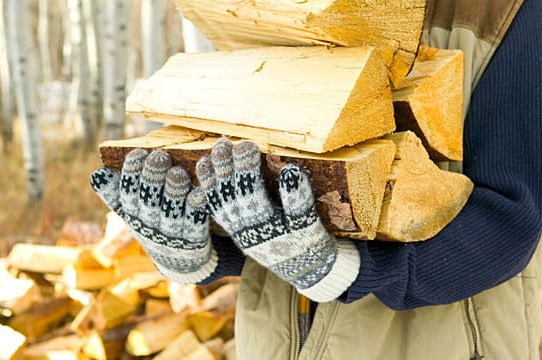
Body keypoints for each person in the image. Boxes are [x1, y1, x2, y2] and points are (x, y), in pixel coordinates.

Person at [91, 0, 542, 358]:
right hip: (276, 345)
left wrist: (348, 269)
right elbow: (259, 176)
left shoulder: (504, 10)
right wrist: (205, 245)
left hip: (441, 345)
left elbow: (511, 220)